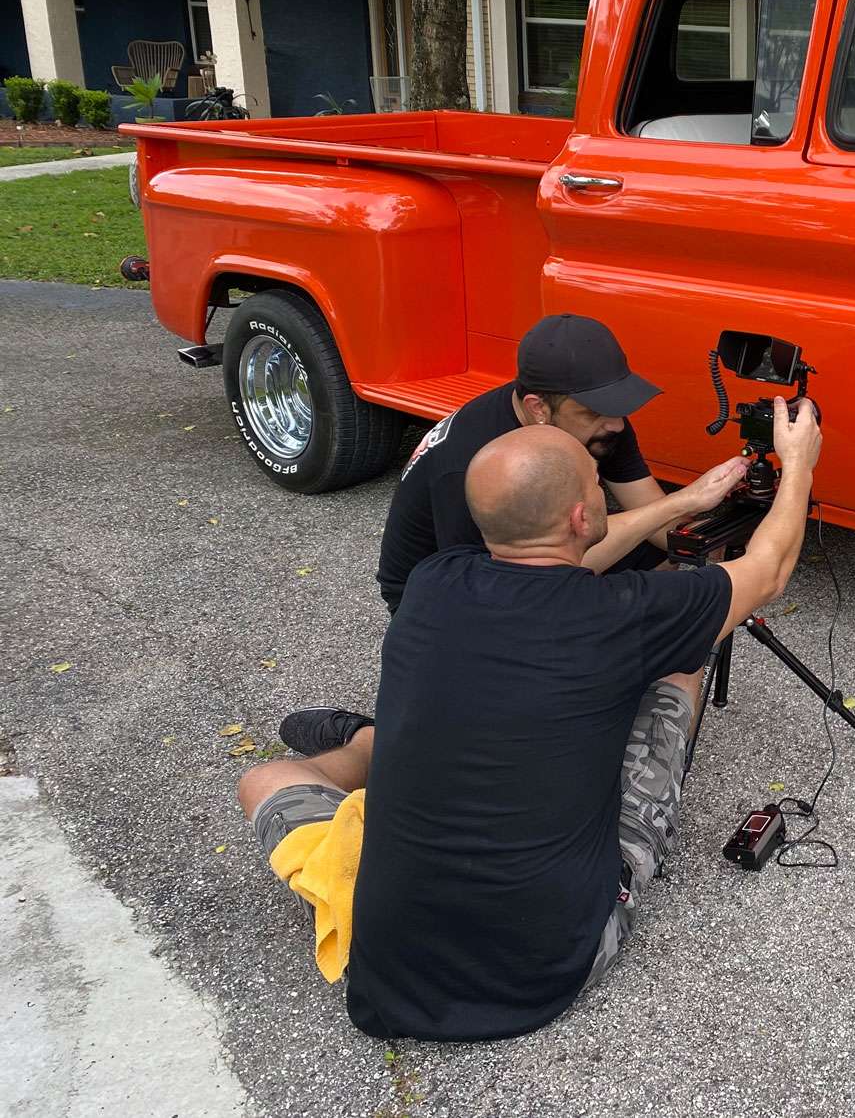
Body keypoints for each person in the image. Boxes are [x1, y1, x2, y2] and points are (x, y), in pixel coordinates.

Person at [236, 397, 822, 1041]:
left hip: (388, 975)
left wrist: (685, 503)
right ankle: (386, 744)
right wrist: (798, 463)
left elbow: (560, 566)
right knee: (680, 667)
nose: (602, 494)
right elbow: (767, 572)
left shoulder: (435, 581)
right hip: (545, 971)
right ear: (581, 514)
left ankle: (376, 743)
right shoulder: (627, 615)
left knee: (263, 782)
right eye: (597, 487)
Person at [372, 312, 745, 614]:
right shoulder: (472, 463)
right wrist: (681, 501)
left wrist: (721, 524)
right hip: (435, 598)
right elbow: (502, 585)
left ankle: (620, 651)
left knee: (660, 550)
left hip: (509, 568)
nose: (616, 423)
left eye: (618, 406)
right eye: (596, 411)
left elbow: (657, 523)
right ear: (538, 408)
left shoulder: (599, 421)